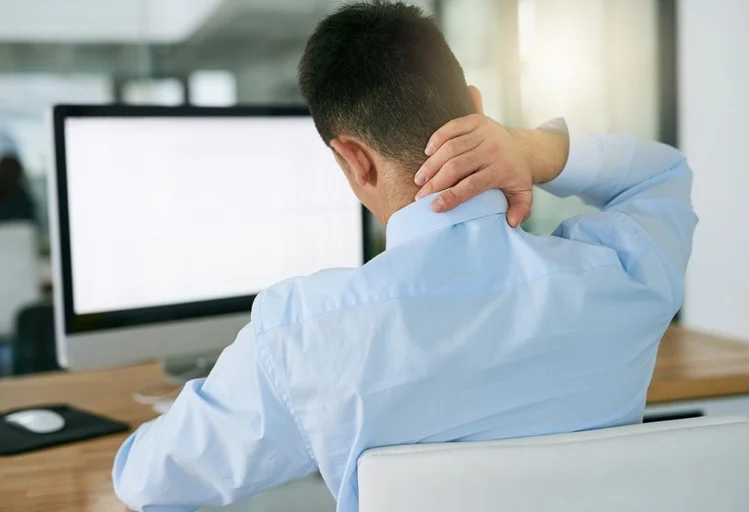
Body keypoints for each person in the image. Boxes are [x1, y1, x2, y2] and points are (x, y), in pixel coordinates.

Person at [112, 2, 697, 511]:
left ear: (353, 159)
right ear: (475, 106)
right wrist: (530, 147)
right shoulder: (618, 277)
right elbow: (662, 174)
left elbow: (148, 481)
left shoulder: (304, 336)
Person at [0, 140, 36, 223]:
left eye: (11, 171)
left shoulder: (24, 201)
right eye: (5, 171)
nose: (8, 175)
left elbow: (29, 226)